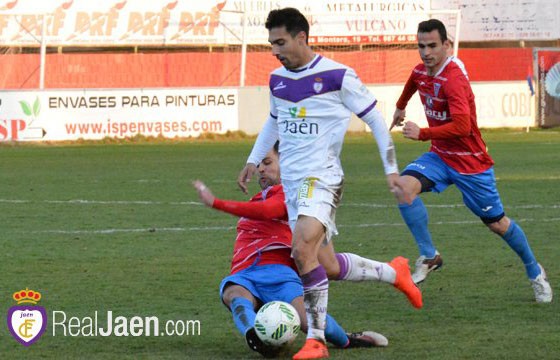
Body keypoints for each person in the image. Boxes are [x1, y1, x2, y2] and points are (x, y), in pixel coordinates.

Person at [236, 8, 410, 359]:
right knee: (326, 264)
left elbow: (376, 121)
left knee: (300, 250)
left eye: (280, 42)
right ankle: (395, 273)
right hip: (296, 188)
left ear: (302, 37)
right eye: (271, 43)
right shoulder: (277, 80)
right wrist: (253, 159)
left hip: (324, 179)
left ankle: (315, 340)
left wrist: (392, 169)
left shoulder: (338, 75)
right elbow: (274, 120)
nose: (274, 50)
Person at [195, 143, 420, 357]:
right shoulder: (265, 196)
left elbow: (269, 210)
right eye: (259, 164)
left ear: (288, 163)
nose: (261, 169)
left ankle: (346, 339)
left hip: (280, 275)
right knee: (234, 295)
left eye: (267, 162)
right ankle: (253, 335)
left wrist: (217, 203)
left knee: (311, 319)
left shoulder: (293, 194)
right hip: (244, 274)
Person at [390, 19, 552, 303]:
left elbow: (463, 126)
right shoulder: (421, 71)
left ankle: (534, 271)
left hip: (470, 162)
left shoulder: (453, 79)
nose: (426, 52)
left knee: (497, 224)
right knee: (403, 187)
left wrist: (423, 133)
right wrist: (400, 108)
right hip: (440, 156)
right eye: (421, 46)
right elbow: (413, 81)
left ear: (446, 46)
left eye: (432, 46)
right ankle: (430, 256)